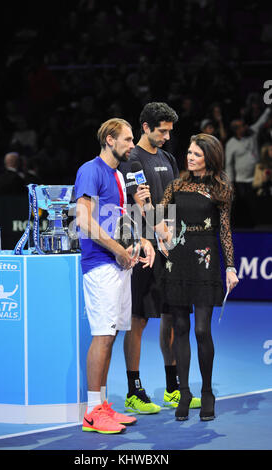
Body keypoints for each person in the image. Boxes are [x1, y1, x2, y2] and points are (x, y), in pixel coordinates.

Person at [140, 133, 239, 421]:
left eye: (196, 154)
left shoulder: (221, 187)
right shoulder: (177, 184)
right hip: (178, 260)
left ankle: (207, 392)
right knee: (180, 328)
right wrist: (147, 207)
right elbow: (159, 217)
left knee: (201, 331)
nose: (189, 157)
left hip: (205, 262)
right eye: (189, 152)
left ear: (209, 157)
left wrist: (230, 267)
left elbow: (224, 230)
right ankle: (184, 392)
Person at [75, 117, 155, 434]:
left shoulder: (119, 176)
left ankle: (103, 405)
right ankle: (92, 411)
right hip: (100, 264)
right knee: (103, 336)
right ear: (110, 139)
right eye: (127, 139)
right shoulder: (90, 170)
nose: (132, 145)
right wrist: (118, 251)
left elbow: (120, 219)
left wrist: (141, 241)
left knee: (112, 335)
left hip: (120, 265)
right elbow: (83, 221)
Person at [119, 102, 201, 414]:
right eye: (161, 131)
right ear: (146, 127)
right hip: (143, 250)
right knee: (137, 321)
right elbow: (139, 205)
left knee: (172, 317)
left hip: (170, 249)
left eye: (169, 131)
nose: (167, 136)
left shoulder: (166, 157)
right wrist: (157, 233)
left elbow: (172, 202)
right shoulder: (133, 159)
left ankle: (172, 388)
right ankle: (133, 390)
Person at [225, 107, 271, 227]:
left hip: (256, 178)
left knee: (259, 205)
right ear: (237, 130)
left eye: (245, 125)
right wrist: (231, 183)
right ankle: (246, 227)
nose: (246, 127)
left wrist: (268, 109)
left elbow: (261, 121)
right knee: (246, 206)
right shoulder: (231, 144)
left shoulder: (252, 132)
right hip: (241, 181)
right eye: (242, 126)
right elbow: (229, 165)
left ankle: (259, 226)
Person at [252, 142, 272, 225]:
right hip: (263, 196)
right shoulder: (260, 167)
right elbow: (255, 184)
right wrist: (263, 181)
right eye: (271, 150)